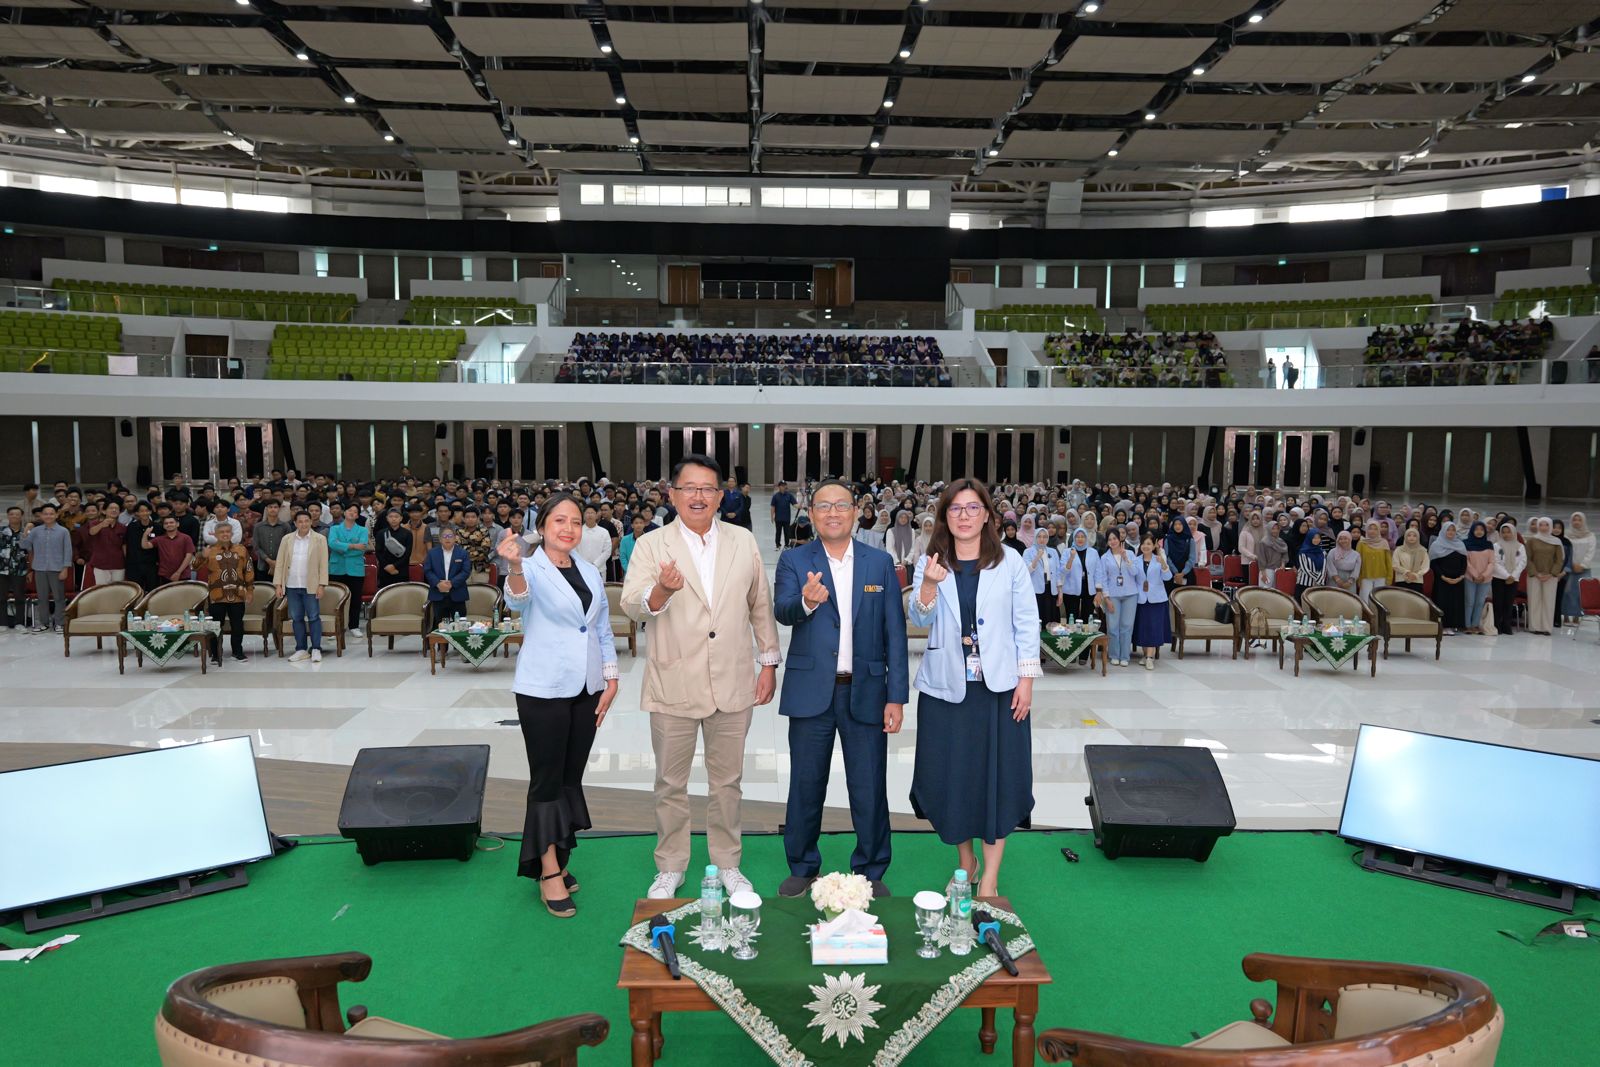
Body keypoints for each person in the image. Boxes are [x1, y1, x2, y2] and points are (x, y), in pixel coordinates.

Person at [620, 454, 780, 901]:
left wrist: (767, 663)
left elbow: (759, 605)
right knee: (670, 783)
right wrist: (661, 591)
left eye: (707, 488)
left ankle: (728, 862)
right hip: (674, 682)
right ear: (672, 495)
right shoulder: (653, 545)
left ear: (721, 496)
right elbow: (631, 604)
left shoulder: (742, 540)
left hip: (733, 681)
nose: (698, 496)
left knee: (727, 782)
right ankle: (670, 864)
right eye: (688, 488)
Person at [772, 480, 908, 898]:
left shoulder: (878, 562)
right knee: (806, 782)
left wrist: (896, 696)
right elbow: (783, 610)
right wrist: (807, 603)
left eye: (841, 505)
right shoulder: (794, 560)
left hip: (865, 689)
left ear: (855, 512)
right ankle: (802, 865)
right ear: (811, 513)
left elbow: (895, 632)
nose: (833, 513)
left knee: (869, 784)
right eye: (823, 506)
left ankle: (870, 868)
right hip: (812, 689)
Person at [907, 478, 1039, 900]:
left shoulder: (1011, 562)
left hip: (998, 689)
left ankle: (990, 879)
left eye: (972, 508)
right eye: (955, 509)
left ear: (987, 515)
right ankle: (966, 861)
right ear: (945, 516)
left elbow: (1026, 622)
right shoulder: (933, 560)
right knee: (954, 778)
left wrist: (1026, 681)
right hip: (947, 690)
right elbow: (919, 619)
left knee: (997, 779)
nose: (964, 516)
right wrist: (927, 584)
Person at [496, 493, 618, 918]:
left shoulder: (588, 569)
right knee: (547, 781)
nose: (568, 528)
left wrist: (611, 676)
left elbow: (600, 627)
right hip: (543, 689)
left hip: (586, 687)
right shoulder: (528, 567)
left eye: (576, 522)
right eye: (559, 520)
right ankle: (547, 869)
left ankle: (557, 854)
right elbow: (517, 600)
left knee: (570, 776)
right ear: (542, 526)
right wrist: (513, 565)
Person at [273, 510, 329, 663]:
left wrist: (322, 584)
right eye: (300, 521)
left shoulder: (320, 539)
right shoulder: (287, 539)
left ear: (311, 522)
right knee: (296, 617)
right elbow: (280, 563)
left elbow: (324, 564)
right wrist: (278, 585)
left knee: (313, 616)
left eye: (306, 521)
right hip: (291, 584)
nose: (303, 524)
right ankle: (301, 649)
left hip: (311, 584)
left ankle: (316, 648)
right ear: (295, 523)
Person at [199, 521, 253, 664]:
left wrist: (250, 590)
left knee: (237, 624)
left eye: (227, 532)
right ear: (216, 534)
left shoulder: (241, 550)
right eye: (221, 532)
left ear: (232, 533)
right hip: (216, 595)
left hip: (238, 594)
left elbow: (248, 570)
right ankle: (216, 654)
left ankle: (237, 652)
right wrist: (202, 556)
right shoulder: (210, 550)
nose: (225, 534)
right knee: (215, 625)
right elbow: (194, 567)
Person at [23, 504, 73, 632]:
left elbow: (68, 550)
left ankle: (60, 623)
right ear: (41, 516)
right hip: (39, 568)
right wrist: (26, 529)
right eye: (45, 513)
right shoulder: (36, 531)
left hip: (57, 568)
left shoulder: (63, 531)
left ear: (56, 515)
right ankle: (44, 623)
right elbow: (24, 545)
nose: (48, 516)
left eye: (51, 513)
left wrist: (65, 568)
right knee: (42, 597)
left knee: (59, 598)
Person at [1094, 529, 1139, 667]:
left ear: (1120, 539)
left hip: (1130, 594)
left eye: (1115, 538)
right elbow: (1103, 579)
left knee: (1127, 626)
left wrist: (1126, 559)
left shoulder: (1130, 554)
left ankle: (1125, 656)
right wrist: (1106, 598)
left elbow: (1135, 572)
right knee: (1113, 626)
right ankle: (1113, 654)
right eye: (1110, 539)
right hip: (1112, 595)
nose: (1113, 541)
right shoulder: (1104, 558)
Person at [327, 503, 369, 638]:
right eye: (349, 510)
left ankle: (354, 626)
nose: (352, 513)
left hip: (355, 569)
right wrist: (352, 546)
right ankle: (335, 626)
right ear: (344, 513)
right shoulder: (334, 528)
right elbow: (332, 544)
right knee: (335, 599)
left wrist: (343, 548)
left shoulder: (363, 530)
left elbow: (362, 548)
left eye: (355, 512)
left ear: (357, 516)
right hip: (336, 568)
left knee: (355, 599)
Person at [1132, 534, 1173, 670]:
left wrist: (1163, 564)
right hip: (1141, 599)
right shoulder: (1136, 560)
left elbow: (1167, 578)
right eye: (1143, 544)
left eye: (1149, 544)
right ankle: (1145, 655)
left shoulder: (1159, 559)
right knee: (1143, 628)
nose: (1146, 546)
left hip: (1157, 599)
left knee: (1153, 628)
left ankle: (1150, 657)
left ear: (1154, 545)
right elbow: (1132, 576)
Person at [422, 525, 471, 633]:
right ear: (440, 539)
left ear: (455, 538)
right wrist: (438, 583)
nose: (447, 538)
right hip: (438, 593)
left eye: (450, 536)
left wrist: (452, 583)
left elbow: (466, 571)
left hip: (457, 593)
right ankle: (442, 649)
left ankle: (458, 647)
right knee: (440, 625)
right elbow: (427, 570)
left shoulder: (463, 553)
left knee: (460, 625)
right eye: (444, 536)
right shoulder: (432, 553)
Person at [1525, 517, 1563, 635]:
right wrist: (1536, 573)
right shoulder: (1532, 540)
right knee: (1534, 600)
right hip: (1534, 575)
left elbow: (1559, 560)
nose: (1543, 527)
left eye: (1546, 525)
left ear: (1550, 526)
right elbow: (1528, 558)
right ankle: (1534, 627)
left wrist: (1551, 574)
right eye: (1541, 525)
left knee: (1549, 601)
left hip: (1550, 576)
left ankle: (1546, 628)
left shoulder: (1556, 542)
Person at [1060, 527, 1099, 632]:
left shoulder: (1093, 552)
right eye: (1077, 537)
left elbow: (1098, 572)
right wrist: (1071, 558)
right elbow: (1063, 571)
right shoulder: (1067, 552)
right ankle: (1072, 645)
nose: (1080, 539)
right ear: (1073, 538)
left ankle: (1086, 647)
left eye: (1082, 537)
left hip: (1089, 589)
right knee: (1072, 620)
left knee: (1087, 620)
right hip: (1071, 591)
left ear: (1086, 538)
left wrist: (1099, 591)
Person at [1491, 522, 1526, 636]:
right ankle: (1497, 625)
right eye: (1503, 532)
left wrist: (1513, 576)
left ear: (1513, 532)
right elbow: (1496, 562)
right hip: (1499, 578)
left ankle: (1506, 626)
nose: (1506, 535)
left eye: (1508, 532)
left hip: (1514, 579)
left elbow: (1522, 562)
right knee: (1498, 603)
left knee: (1508, 603)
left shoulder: (1520, 546)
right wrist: (1507, 575)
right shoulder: (1497, 545)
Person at [83, 501, 127, 585]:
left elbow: (124, 545)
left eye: (116, 509)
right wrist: (102, 524)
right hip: (100, 564)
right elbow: (91, 532)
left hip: (118, 564)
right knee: (102, 590)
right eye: (111, 508)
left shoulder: (123, 527)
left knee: (118, 590)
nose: (114, 510)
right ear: (104, 511)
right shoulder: (95, 523)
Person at [1461, 522, 1494, 634]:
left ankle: (1475, 625)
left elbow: (1492, 563)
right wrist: (1475, 575)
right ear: (1472, 531)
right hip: (1470, 577)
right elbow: (1466, 562)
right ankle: (1467, 625)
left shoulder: (1489, 544)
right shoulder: (1465, 543)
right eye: (1476, 529)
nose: (1479, 532)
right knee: (1469, 601)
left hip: (1486, 579)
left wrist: (1483, 575)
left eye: (1481, 529)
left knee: (1480, 602)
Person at [1560, 512, 1593, 625]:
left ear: (1583, 521)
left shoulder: (1590, 536)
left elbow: (1590, 552)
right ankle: (1565, 615)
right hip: (1569, 568)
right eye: (1575, 520)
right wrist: (1571, 564)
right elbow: (1565, 551)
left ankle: (1577, 617)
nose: (1577, 522)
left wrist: (1582, 565)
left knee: (1580, 593)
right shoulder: (1567, 535)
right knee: (1567, 592)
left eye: (1579, 520)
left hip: (1583, 569)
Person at [1022, 527, 1061, 624]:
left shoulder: (1053, 551)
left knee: (1052, 618)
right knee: (1038, 618)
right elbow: (1026, 571)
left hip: (1051, 589)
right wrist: (1037, 557)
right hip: (1036, 590)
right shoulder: (1027, 552)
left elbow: (1058, 573)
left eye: (1045, 537)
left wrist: (1060, 592)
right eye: (1039, 536)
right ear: (1035, 537)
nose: (1042, 539)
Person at [251, 500, 292, 587]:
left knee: (281, 592)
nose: (273, 509)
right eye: (270, 507)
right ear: (266, 509)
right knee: (265, 591)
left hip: (281, 566)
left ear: (279, 509)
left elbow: (289, 546)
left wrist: (278, 561)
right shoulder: (258, 526)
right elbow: (256, 547)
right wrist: (268, 560)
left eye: (275, 507)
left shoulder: (285, 526)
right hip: (262, 566)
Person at [147, 515, 196, 586]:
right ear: (163, 526)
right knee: (166, 596)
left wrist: (178, 572)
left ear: (177, 524)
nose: (168, 524)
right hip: (165, 575)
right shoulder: (159, 539)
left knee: (183, 596)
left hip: (183, 574)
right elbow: (145, 546)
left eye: (171, 522)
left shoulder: (186, 538)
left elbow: (189, 556)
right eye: (166, 523)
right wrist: (145, 534)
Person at [1, 506, 28, 629]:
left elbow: (31, 551)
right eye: (12, 514)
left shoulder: (26, 532)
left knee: (19, 597)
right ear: (8, 516)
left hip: (20, 569)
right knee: (1, 597)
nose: (14, 516)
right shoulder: (1, 531)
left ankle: (19, 623)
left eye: (17, 514)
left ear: (21, 516)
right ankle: (3, 623)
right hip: (2, 569)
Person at [373, 508, 413, 590]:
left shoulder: (407, 534)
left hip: (401, 570)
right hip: (385, 570)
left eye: (396, 516)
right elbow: (378, 552)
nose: (393, 519)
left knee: (402, 595)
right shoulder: (381, 533)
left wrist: (394, 566)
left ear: (401, 518)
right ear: (387, 518)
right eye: (390, 516)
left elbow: (407, 554)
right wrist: (387, 566)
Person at [1356, 521, 1393, 601]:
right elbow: (1358, 562)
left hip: (1381, 576)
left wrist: (1389, 578)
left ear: (1379, 530)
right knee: (1365, 599)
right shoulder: (1361, 543)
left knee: (1379, 599)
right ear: (1366, 530)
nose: (1372, 531)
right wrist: (1358, 577)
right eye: (1370, 529)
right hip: (1365, 576)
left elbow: (1388, 562)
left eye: (1375, 529)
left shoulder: (1384, 542)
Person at [1392, 528, 1429, 595]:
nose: (1412, 537)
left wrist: (1416, 575)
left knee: (1416, 603)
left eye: (1414, 536)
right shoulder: (1398, 550)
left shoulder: (1423, 551)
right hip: (1401, 579)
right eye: (1409, 535)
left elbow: (1425, 566)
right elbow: (1395, 565)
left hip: (1417, 580)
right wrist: (1406, 572)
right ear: (1405, 536)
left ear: (1418, 537)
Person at [1296, 529, 1329, 599]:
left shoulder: (1323, 552)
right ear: (1309, 538)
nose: (1316, 540)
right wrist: (1318, 578)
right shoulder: (1303, 552)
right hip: (1304, 583)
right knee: (1302, 605)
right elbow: (1304, 569)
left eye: (1318, 538)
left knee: (1315, 606)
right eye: (1314, 538)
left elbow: (1324, 568)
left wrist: (1320, 580)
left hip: (1318, 584)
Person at [770, 481, 797, 550]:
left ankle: (786, 545)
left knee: (786, 532)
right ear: (779, 487)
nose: (783, 487)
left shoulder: (789, 495)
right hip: (778, 518)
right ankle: (778, 545)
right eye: (782, 485)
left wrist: (801, 506)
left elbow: (794, 504)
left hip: (786, 518)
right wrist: (772, 516)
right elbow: (773, 507)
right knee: (778, 532)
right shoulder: (775, 496)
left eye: (784, 485)